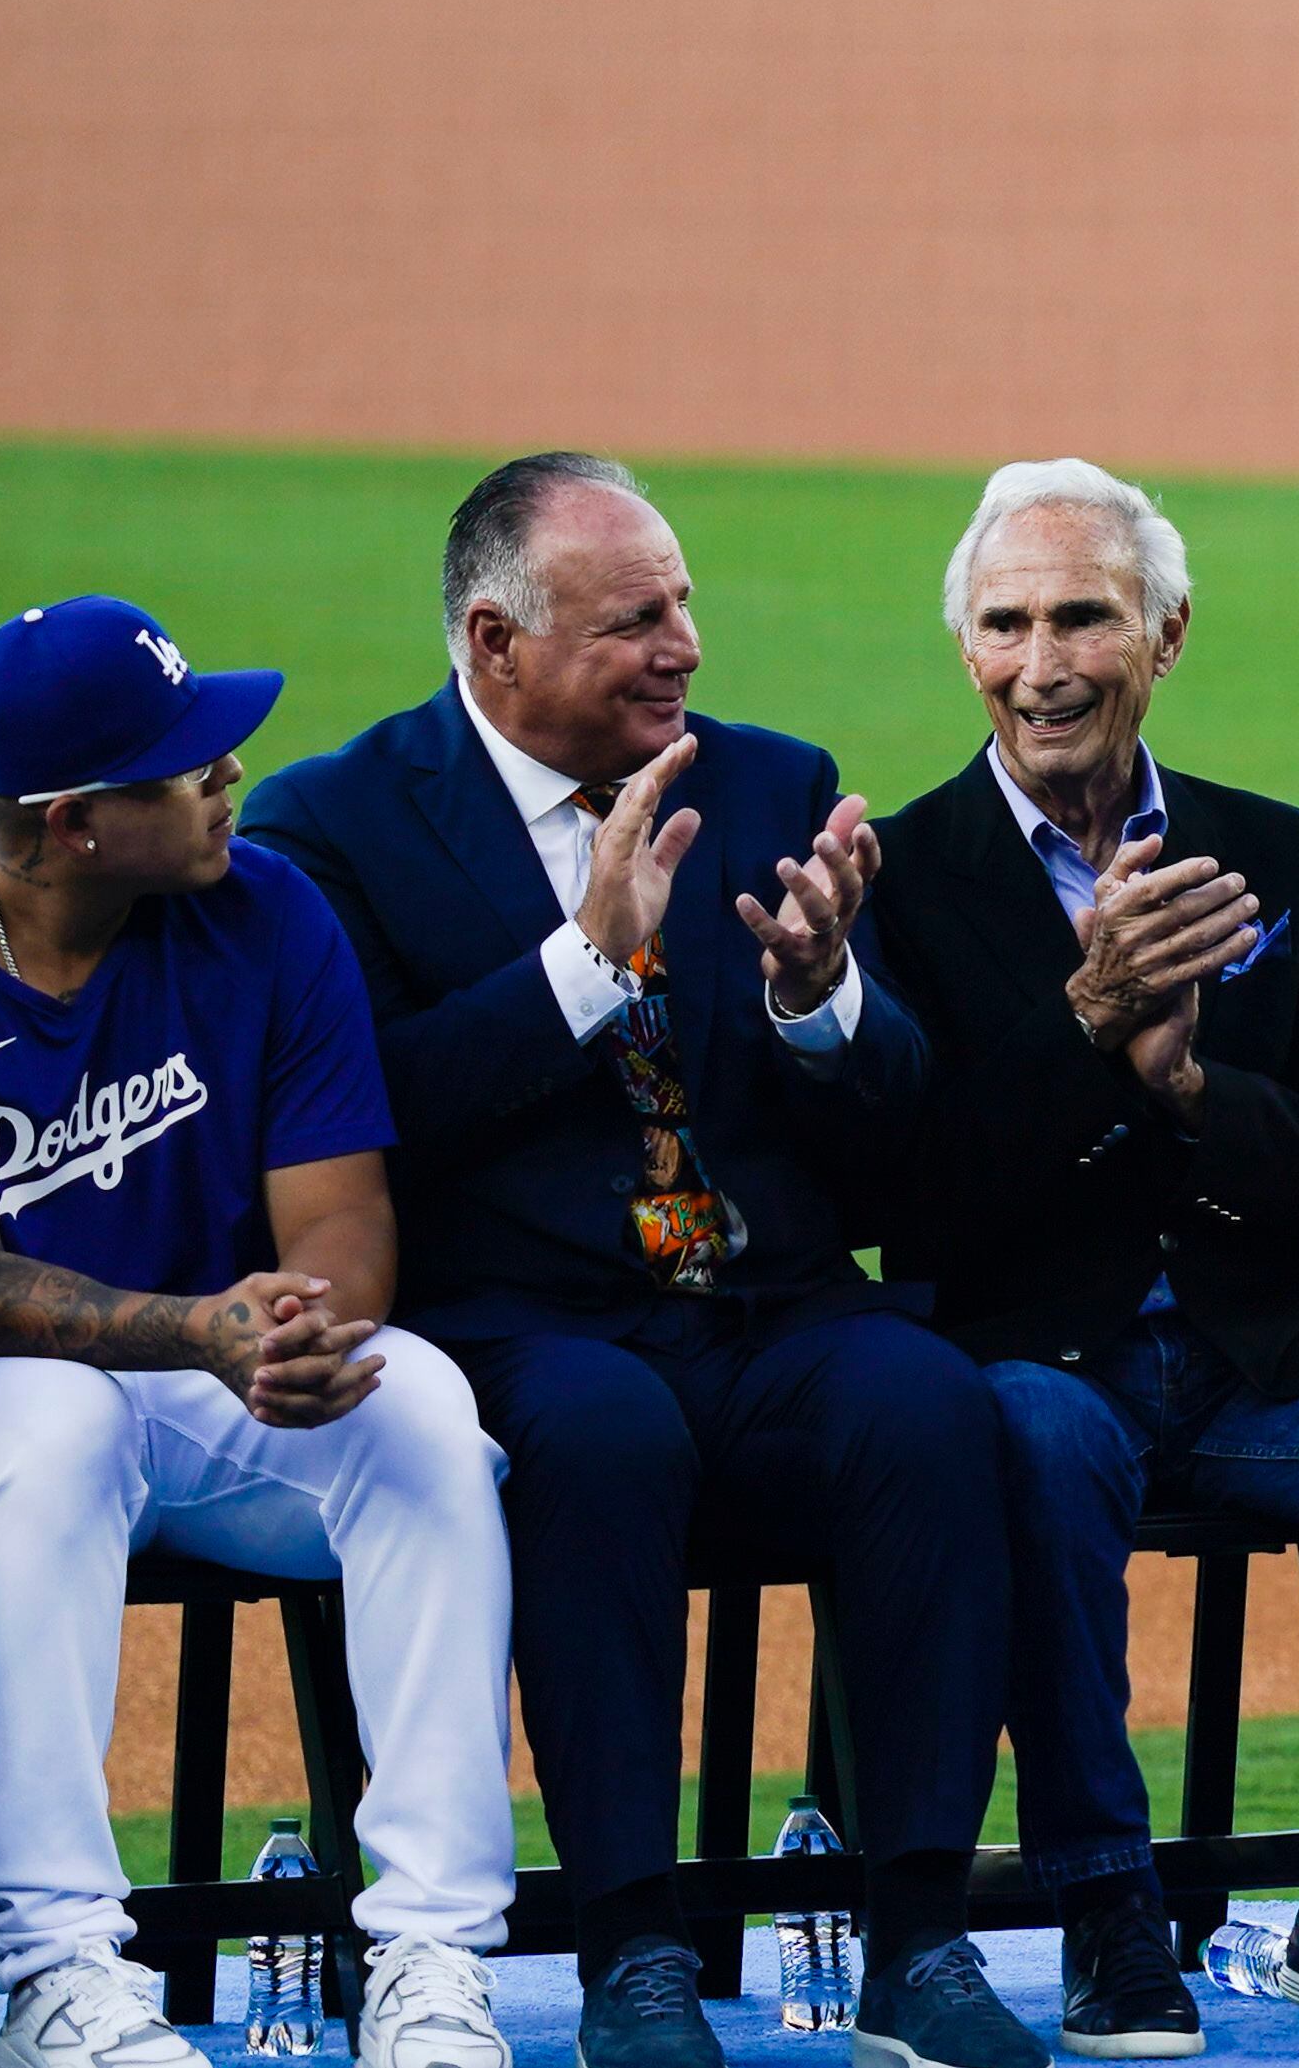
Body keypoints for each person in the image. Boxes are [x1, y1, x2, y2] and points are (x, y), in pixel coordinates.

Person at [241, 458, 1041, 2068]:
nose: (683, 644)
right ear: (494, 639)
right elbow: (367, 1104)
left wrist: (826, 999)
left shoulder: (768, 781)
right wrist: (583, 966)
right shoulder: (332, 823)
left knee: (930, 1405)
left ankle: (920, 1933)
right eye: (632, 621)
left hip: (772, 1305)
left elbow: (896, 1131)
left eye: (682, 601)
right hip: (527, 1322)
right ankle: (634, 1944)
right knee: (601, 1436)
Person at [0, 600, 517, 2068]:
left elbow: (341, 1210)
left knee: (421, 1407)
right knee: (57, 1419)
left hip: (212, 1372)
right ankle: (58, 1965)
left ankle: (433, 1952)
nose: (230, 770)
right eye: (186, 766)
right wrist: (205, 1328)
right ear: (72, 824)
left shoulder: (271, 906)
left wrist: (310, 1327)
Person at [876, 459, 1299, 2049]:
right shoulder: (899, 882)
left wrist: (1191, 1088)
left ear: (1166, 633)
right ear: (967, 649)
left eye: (1084, 615)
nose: (1044, 661)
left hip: (1267, 1360)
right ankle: (1109, 1906)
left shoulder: (1285, 858)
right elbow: (920, 1194)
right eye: (1005, 621)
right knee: (1027, 1436)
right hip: (1041, 1355)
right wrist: (1090, 1026)